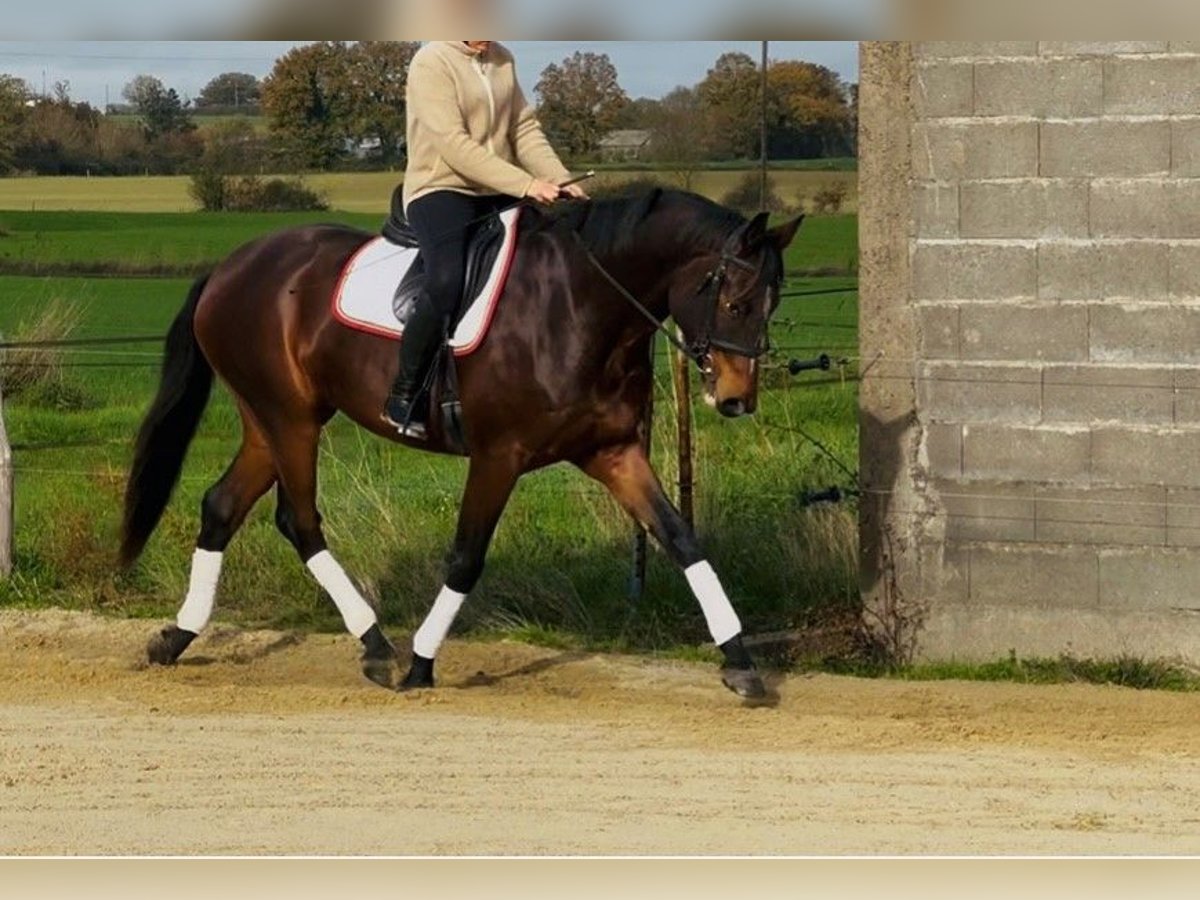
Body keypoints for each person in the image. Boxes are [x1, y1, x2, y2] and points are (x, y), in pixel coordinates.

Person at [382, 40, 587, 439]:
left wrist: (561, 180)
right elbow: (454, 146)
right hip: (441, 188)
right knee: (446, 281)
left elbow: (523, 129)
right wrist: (527, 183)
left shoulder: (501, 59)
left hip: (498, 189)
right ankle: (404, 395)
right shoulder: (431, 61)